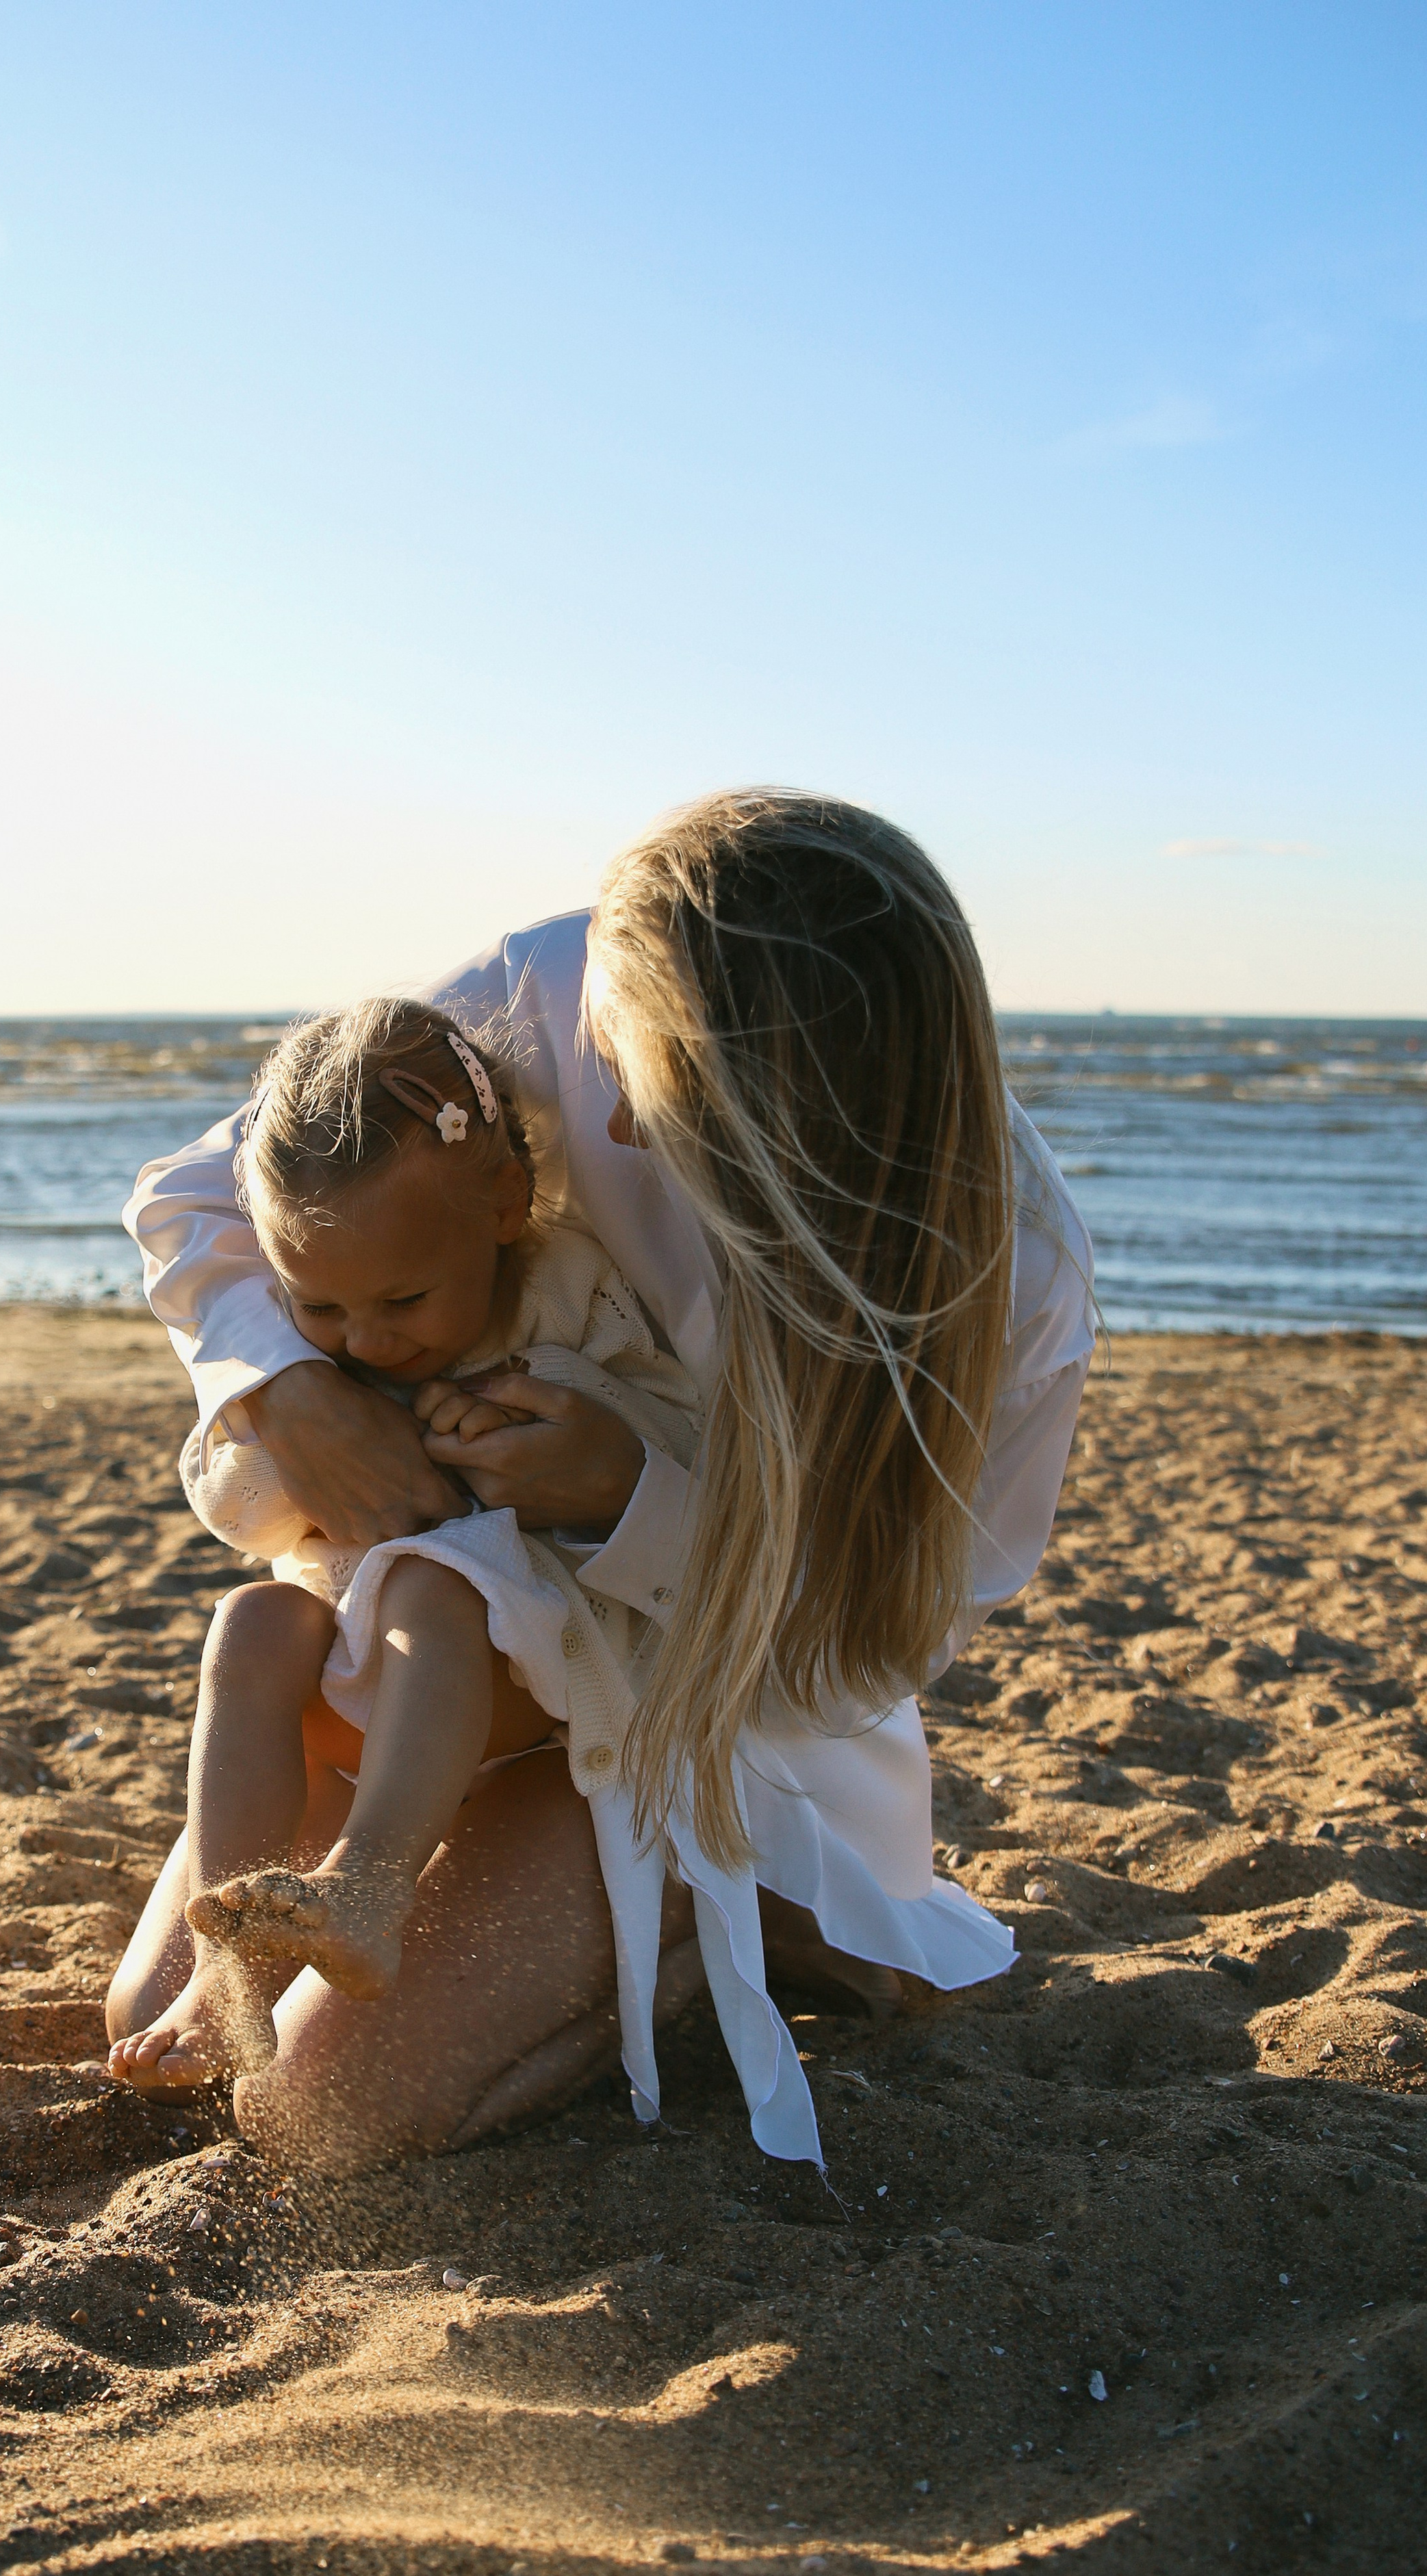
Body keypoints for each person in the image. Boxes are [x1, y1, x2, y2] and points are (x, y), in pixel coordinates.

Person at [107, 788, 1095, 2174]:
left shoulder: (1015, 1282)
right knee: (153, 2018)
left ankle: (735, 1918)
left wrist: (627, 1497)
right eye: (616, 1057)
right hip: (432, 1662)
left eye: (673, 1088)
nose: (611, 1118)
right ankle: (470, 1853)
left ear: (806, 1093)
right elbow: (209, 1193)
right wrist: (299, 1389)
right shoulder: (562, 979)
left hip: (693, 1720)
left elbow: (866, 1648)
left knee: (315, 2109)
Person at [105, 994, 704, 2094]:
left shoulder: (579, 1293)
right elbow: (238, 1513)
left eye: (405, 1300)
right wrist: (303, 1434)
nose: (369, 1339)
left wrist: (554, 1413)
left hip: (531, 1672)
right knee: (251, 1617)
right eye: (322, 1308)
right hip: (356, 1674)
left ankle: (369, 1884)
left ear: (506, 1203)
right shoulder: (314, 1337)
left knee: (434, 1583)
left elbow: (677, 1432)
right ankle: (229, 1964)